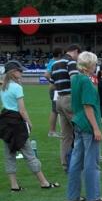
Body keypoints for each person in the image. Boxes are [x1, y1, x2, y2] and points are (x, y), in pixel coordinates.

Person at [0, 60, 59, 192]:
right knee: (29, 154)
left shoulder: (4, 86)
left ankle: (14, 186)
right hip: (16, 122)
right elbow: (22, 109)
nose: (21, 72)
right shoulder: (17, 87)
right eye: (19, 70)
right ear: (13, 72)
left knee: (9, 154)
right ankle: (44, 182)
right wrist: (29, 122)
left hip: (5, 122)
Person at [67, 51, 102, 201]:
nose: (96, 66)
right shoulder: (86, 81)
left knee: (76, 160)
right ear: (89, 64)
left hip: (78, 122)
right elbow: (88, 106)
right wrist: (96, 128)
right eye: (94, 63)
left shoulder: (76, 78)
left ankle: (73, 196)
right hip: (87, 124)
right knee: (92, 162)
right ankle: (93, 196)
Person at [51, 44, 81, 172]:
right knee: (80, 130)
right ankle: (79, 162)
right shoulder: (71, 62)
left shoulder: (55, 63)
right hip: (70, 98)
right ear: (75, 51)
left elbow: (52, 83)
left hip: (59, 99)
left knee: (66, 135)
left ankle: (65, 163)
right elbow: (74, 79)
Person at [44, 48, 62, 138]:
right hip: (55, 89)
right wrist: (54, 82)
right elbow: (46, 74)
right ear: (59, 54)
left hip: (53, 89)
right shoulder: (55, 62)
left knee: (56, 110)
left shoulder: (51, 61)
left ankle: (53, 131)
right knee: (55, 110)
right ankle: (51, 131)